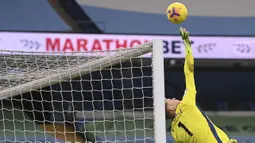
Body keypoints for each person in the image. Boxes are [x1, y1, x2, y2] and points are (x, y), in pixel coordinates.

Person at [165, 27, 238, 143]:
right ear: (172, 108)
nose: (173, 98)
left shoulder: (175, 133)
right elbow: (189, 71)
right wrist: (187, 45)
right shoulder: (186, 105)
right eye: (169, 100)